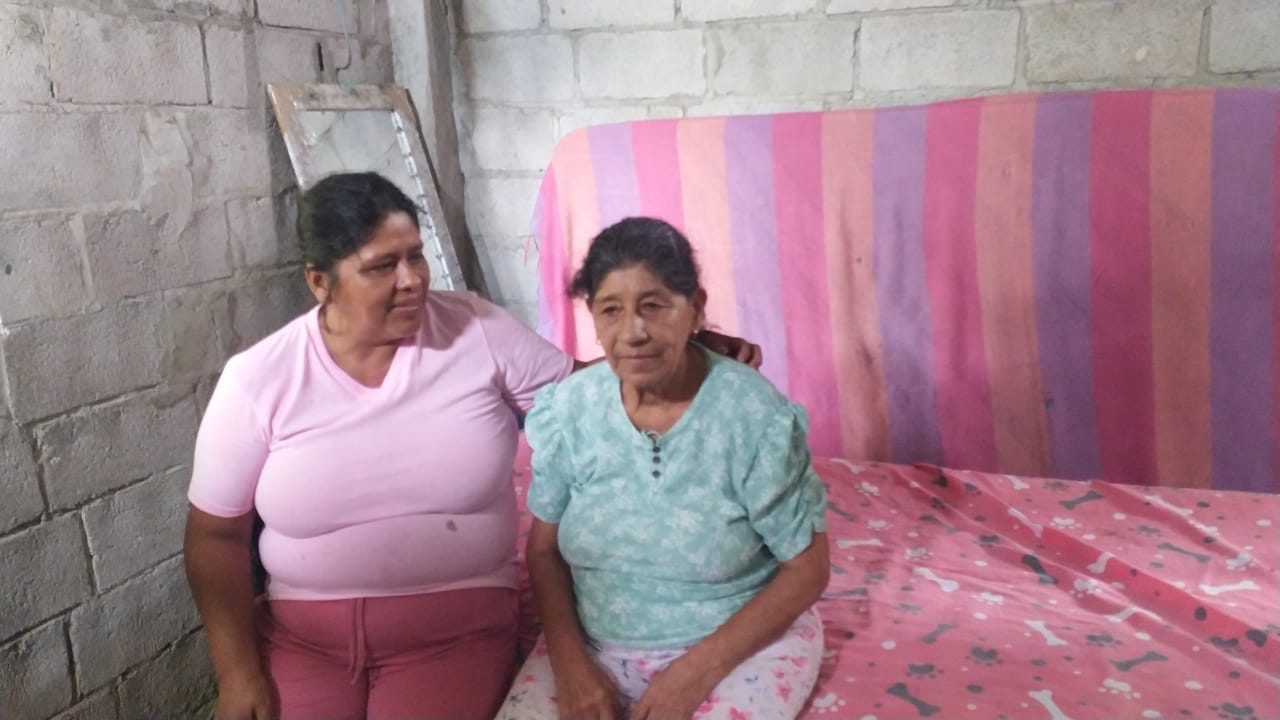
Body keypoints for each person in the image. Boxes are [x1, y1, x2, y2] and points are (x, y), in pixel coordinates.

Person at [183, 173, 762, 720]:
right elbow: (215, 535)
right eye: (383, 266)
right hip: (304, 642)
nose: (412, 279)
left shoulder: (474, 330)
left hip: (452, 634)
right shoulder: (260, 378)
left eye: (415, 256)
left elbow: (584, 395)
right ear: (320, 282)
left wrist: (677, 348)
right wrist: (238, 674)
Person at [495, 217, 830, 720]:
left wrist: (694, 672)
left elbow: (807, 569)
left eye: (653, 306)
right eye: (611, 310)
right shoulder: (570, 411)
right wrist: (570, 665)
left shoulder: (752, 416)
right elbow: (543, 552)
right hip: (593, 643)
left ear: (695, 309)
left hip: (738, 647)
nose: (633, 332)